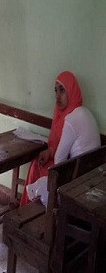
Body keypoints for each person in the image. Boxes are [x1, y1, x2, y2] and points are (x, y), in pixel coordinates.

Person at [19, 71, 101, 206]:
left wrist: (52, 154)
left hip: (76, 180)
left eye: (62, 90)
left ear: (71, 91)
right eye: (55, 91)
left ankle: (28, 209)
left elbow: (59, 162)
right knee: (40, 164)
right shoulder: (85, 112)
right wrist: (50, 152)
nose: (57, 96)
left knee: (37, 166)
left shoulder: (71, 119)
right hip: (91, 175)